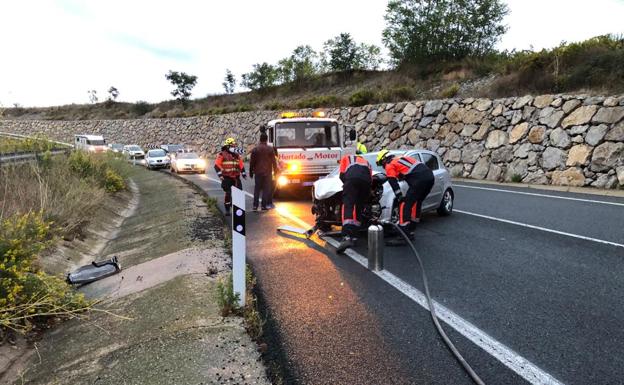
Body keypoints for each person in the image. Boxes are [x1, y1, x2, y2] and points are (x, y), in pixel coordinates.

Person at [376, 149, 434, 238]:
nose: (383, 167)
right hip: (429, 176)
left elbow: (393, 182)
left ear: (384, 159)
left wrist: (399, 196)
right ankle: (411, 230)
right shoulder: (400, 159)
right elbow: (408, 171)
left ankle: (403, 234)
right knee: (416, 203)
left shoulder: (389, 165)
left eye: (381, 164)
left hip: (419, 179)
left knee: (404, 204)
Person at [336, 154, 373, 254]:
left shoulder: (346, 158)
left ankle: (347, 236)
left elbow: (342, 175)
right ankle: (355, 236)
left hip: (352, 179)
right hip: (366, 182)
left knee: (348, 204)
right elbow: (370, 180)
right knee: (359, 207)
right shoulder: (367, 163)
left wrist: (348, 187)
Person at [214, 137, 246, 216]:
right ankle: (227, 209)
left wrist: (243, 173)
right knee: (228, 193)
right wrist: (220, 175)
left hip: (236, 178)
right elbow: (216, 165)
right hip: (227, 178)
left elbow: (241, 164)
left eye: (234, 146)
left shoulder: (236, 155)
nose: (234, 147)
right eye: (232, 146)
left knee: (239, 193)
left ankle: (238, 210)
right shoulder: (222, 154)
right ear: (228, 146)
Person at [249, 133, 278, 211]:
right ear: (267, 139)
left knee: (257, 189)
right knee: (266, 189)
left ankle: (255, 206)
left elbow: (252, 162)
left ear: (260, 139)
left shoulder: (255, 149)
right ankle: (263, 206)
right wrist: (275, 171)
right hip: (267, 172)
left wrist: (250, 171)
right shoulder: (270, 149)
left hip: (258, 172)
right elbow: (274, 162)